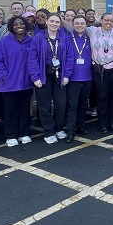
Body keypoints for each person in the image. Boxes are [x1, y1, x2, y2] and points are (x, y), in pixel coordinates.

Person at [29, 14, 74, 144]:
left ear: (60, 24)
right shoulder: (38, 38)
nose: (54, 24)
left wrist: (67, 75)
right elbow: (32, 59)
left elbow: (70, 57)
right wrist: (35, 76)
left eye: (57, 22)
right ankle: (49, 131)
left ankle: (59, 128)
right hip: (43, 74)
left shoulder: (64, 38)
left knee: (61, 104)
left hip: (59, 74)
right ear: (47, 22)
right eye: (52, 21)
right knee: (44, 105)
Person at [0, 16, 34, 147]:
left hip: (26, 83)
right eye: (15, 24)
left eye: (21, 23)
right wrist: (4, 76)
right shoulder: (4, 42)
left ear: (26, 25)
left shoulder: (32, 41)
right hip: (8, 84)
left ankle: (24, 133)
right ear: (11, 26)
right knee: (10, 110)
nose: (19, 26)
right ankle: (11, 135)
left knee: (24, 109)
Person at [85, 13, 113, 133]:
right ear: (101, 20)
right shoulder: (92, 31)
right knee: (102, 97)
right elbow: (74, 28)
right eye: (106, 20)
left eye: (111, 21)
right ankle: (103, 123)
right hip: (99, 70)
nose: (108, 23)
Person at [63, 16, 93, 141]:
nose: (80, 25)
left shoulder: (90, 39)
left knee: (83, 104)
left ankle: (81, 125)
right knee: (72, 105)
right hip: (73, 78)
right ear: (73, 24)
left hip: (87, 77)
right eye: (77, 23)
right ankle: (70, 130)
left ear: (86, 25)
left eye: (82, 23)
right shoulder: (68, 39)